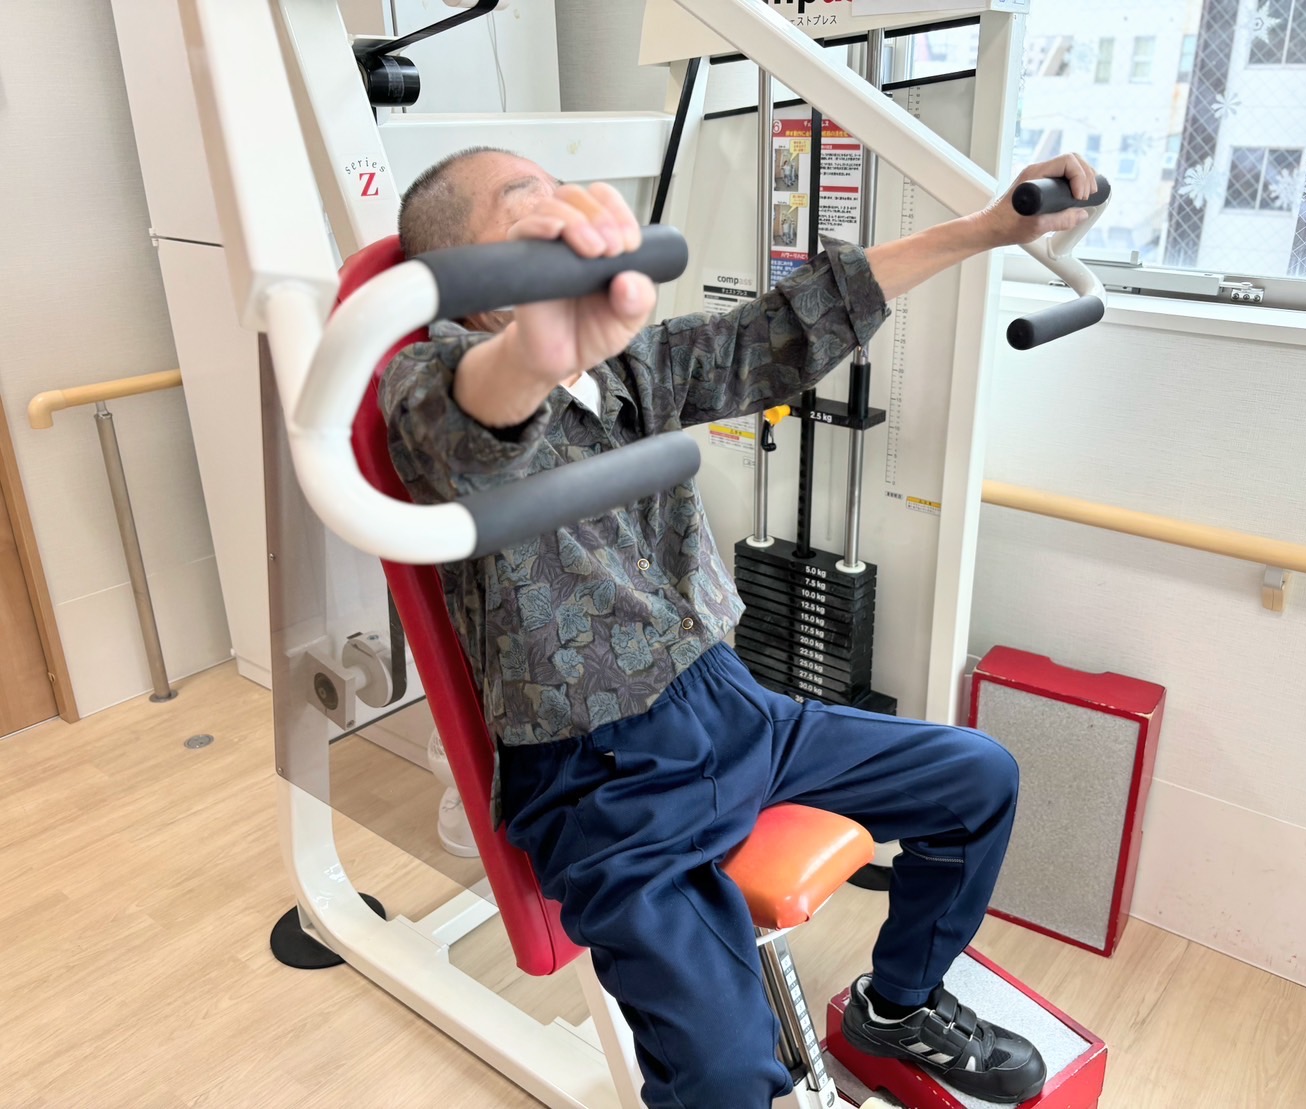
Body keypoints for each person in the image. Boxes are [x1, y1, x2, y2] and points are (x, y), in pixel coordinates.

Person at [383, 145, 1096, 1108]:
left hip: (733, 709)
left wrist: (985, 231)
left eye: (563, 197)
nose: (567, 219)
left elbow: (778, 332)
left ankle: (896, 1007)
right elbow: (461, 436)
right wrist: (534, 351)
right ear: (464, 279)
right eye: (527, 211)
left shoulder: (626, 367)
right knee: (725, 1077)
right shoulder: (426, 383)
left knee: (978, 778)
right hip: (605, 787)